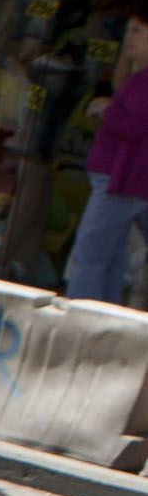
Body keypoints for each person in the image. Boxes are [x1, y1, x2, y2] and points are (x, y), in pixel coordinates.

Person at [69, 18, 148, 305]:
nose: (129, 37)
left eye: (138, 31)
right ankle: (101, 317)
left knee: (90, 254)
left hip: (121, 180)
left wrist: (107, 109)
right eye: (127, 30)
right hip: (123, 180)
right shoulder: (139, 77)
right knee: (109, 258)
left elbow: (135, 125)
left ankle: (81, 317)